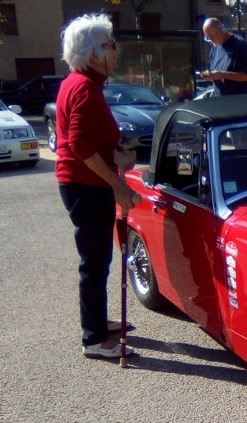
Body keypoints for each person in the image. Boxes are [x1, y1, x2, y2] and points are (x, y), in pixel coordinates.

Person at [55, 13, 141, 359]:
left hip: (83, 183)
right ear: (93, 54)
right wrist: (117, 186)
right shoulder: (85, 87)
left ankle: (97, 322)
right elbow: (79, 144)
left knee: (98, 258)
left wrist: (116, 153)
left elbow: (89, 140)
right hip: (86, 186)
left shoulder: (81, 83)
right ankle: (93, 339)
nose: (115, 52)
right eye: (110, 45)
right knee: (95, 260)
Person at [201, 18, 247, 96]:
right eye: (206, 38)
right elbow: (214, 71)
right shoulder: (215, 47)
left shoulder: (240, 45)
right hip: (218, 102)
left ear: (220, 31)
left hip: (237, 103)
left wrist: (222, 75)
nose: (209, 41)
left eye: (210, 37)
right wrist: (210, 75)